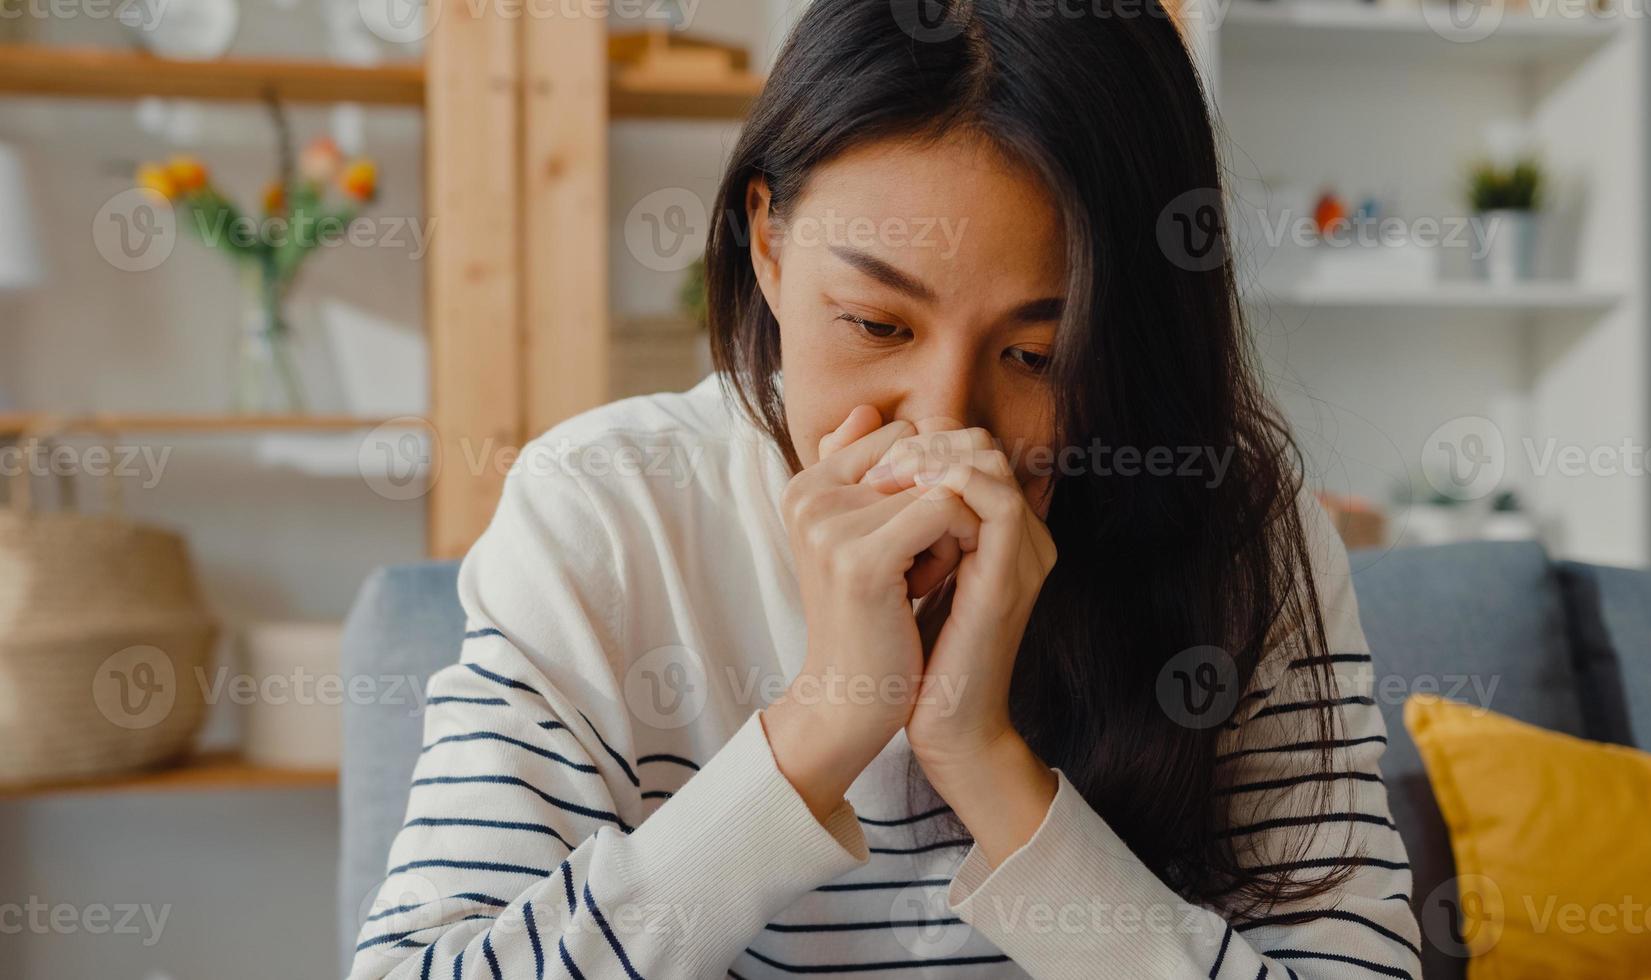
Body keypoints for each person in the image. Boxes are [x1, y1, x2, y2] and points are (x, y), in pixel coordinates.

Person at [349, 1, 1422, 977]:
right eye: (875, 325)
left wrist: (986, 762)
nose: (944, 426)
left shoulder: (1229, 527)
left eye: (1039, 355)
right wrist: (818, 727)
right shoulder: (608, 514)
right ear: (766, 245)